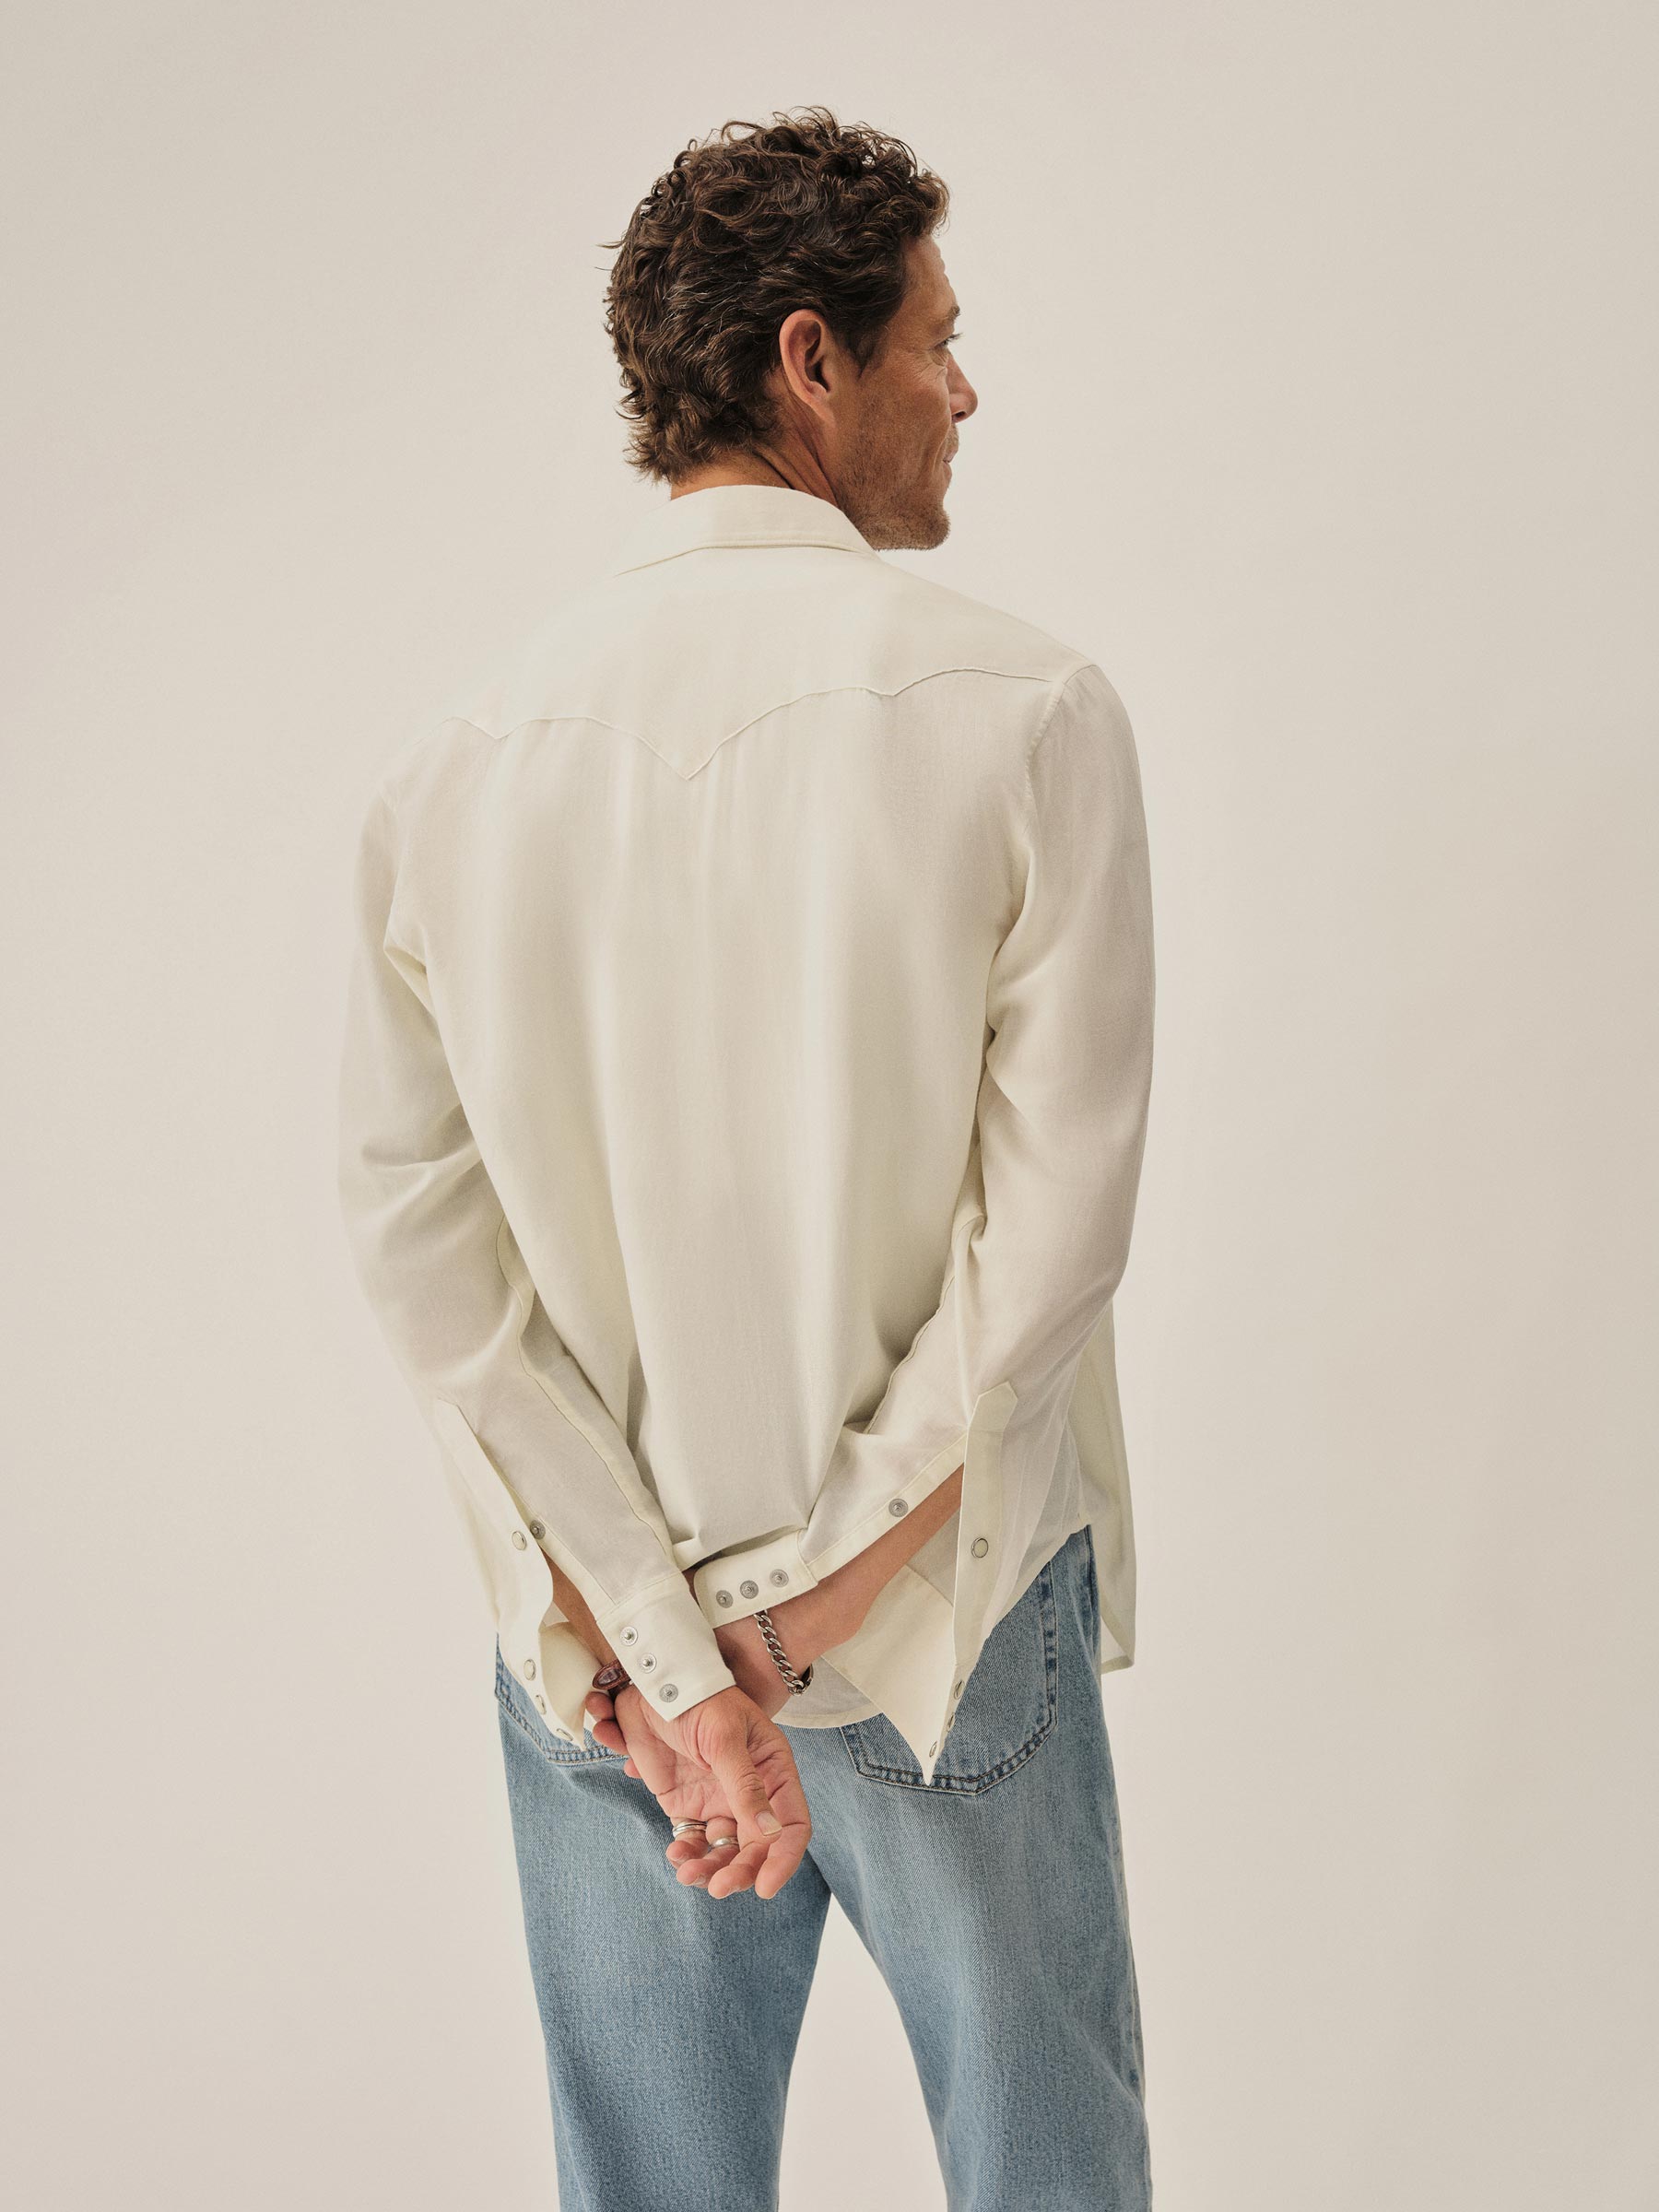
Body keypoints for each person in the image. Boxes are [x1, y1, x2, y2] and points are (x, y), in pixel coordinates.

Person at [337, 104, 1157, 2212]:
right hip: (940, 1618)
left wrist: (666, 1650)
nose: (964, 389)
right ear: (812, 359)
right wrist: (795, 1628)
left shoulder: (452, 778)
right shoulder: (1030, 714)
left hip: (617, 1677)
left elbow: (434, 1275)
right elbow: (1051, 1249)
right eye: (935, 341)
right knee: (1050, 2179)